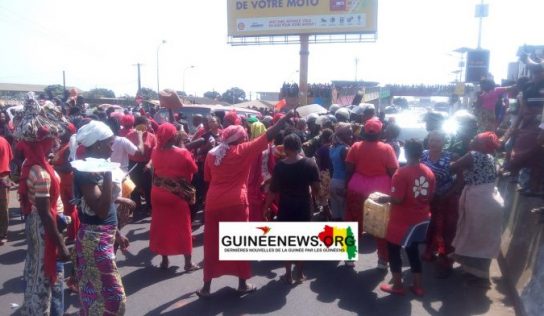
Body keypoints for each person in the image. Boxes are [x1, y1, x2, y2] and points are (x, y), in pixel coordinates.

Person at [197, 111, 294, 298]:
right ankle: (242, 284)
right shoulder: (244, 150)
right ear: (241, 138)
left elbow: (208, 179)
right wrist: (283, 119)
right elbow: (269, 134)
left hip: (213, 203)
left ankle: (206, 288)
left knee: (211, 245)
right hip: (236, 203)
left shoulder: (211, 154)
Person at [16, 93, 70, 315]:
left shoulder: (30, 164)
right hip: (45, 226)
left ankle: (34, 308)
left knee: (37, 269)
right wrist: (61, 244)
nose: (54, 145)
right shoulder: (41, 173)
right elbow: (46, 213)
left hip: (35, 224)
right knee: (47, 274)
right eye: (50, 142)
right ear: (41, 144)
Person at [74, 120, 133, 315]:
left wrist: (116, 233)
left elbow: (105, 208)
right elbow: (100, 209)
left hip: (102, 237)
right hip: (94, 240)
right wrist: (110, 173)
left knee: (94, 295)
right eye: (109, 144)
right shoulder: (86, 171)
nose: (112, 148)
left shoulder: (97, 167)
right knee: (114, 299)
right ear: (97, 144)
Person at [378, 139, 436, 297]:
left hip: (403, 221)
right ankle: (417, 286)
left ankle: (397, 286)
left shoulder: (401, 173)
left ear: (406, 152)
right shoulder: (428, 171)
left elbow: (397, 199)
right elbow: (430, 196)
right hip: (422, 218)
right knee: (412, 251)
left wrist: (385, 199)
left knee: (394, 251)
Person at [264, 133, 320, 284]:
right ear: (300, 146)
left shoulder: (280, 166)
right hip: (303, 206)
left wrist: (266, 208)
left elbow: (272, 190)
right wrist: (313, 197)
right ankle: (300, 274)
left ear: (286, 148)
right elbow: (316, 188)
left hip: (286, 207)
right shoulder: (310, 164)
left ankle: (288, 274)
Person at [451, 132, 503, 287]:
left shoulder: (472, 155)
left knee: (473, 236)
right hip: (492, 200)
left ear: (481, 144)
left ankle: (478, 276)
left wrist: (451, 160)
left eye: (475, 139)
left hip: (479, 200)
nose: (472, 139)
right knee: (484, 238)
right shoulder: (491, 158)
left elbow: (452, 168)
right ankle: (476, 272)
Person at [345, 118, 399, 269]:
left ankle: (349, 257)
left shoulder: (355, 147)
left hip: (356, 188)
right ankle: (382, 260)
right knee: (380, 225)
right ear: (379, 132)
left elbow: (349, 169)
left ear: (364, 131)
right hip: (379, 193)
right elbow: (393, 172)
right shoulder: (387, 148)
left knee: (352, 223)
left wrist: (345, 187)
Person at [148, 123, 199, 271]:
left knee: (161, 226)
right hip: (176, 194)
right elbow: (194, 169)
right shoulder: (182, 153)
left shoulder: (154, 152)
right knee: (183, 227)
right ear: (174, 136)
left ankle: (164, 260)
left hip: (157, 192)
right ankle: (188, 263)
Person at [420, 131, 460, 277]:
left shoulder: (451, 157)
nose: (434, 143)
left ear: (444, 142)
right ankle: (430, 250)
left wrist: (448, 194)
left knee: (445, 228)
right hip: (427, 198)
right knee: (429, 225)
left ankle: (445, 256)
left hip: (445, 198)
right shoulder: (423, 155)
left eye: (437, 141)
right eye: (431, 140)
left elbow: (460, 179)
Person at [51, 123, 79, 243]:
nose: (60, 132)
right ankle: (72, 232)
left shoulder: (69, 147)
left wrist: (52, 167)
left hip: (68, 181)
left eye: (63, 130)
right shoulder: (63, 145)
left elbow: (69, 167)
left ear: (70, 132)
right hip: (62, 182)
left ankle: (73, 235)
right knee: (67, 208)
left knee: (69, 209)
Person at [126, 116, 156, 213]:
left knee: (148, 188)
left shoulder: (152, 137)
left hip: (146, 165)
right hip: (133, 164)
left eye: (148, 124)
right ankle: (136, 208)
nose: (149, 125)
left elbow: (154, 153)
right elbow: (127, 151)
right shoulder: (130, 136)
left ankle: (150, 207)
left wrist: (149, 164)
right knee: (134, 187)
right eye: (147, 124)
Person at [329, 123, 352, 221]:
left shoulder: (333, 148)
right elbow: (348, 170)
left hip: (333, 181)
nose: (351, 136)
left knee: (336, 213)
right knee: (345, 214)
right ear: (341, 135)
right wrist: (346, 187)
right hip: (342, 183)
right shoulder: (345, 149)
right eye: (349, 133)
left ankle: (336, 235)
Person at [0, 134, 12, 245]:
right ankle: (3, 233)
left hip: (2, 177)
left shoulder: (2, 141)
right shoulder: (4, 140)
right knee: (3, 208)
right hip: (4, 177)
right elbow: (11, 157)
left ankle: (3, 233)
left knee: (3, 208)